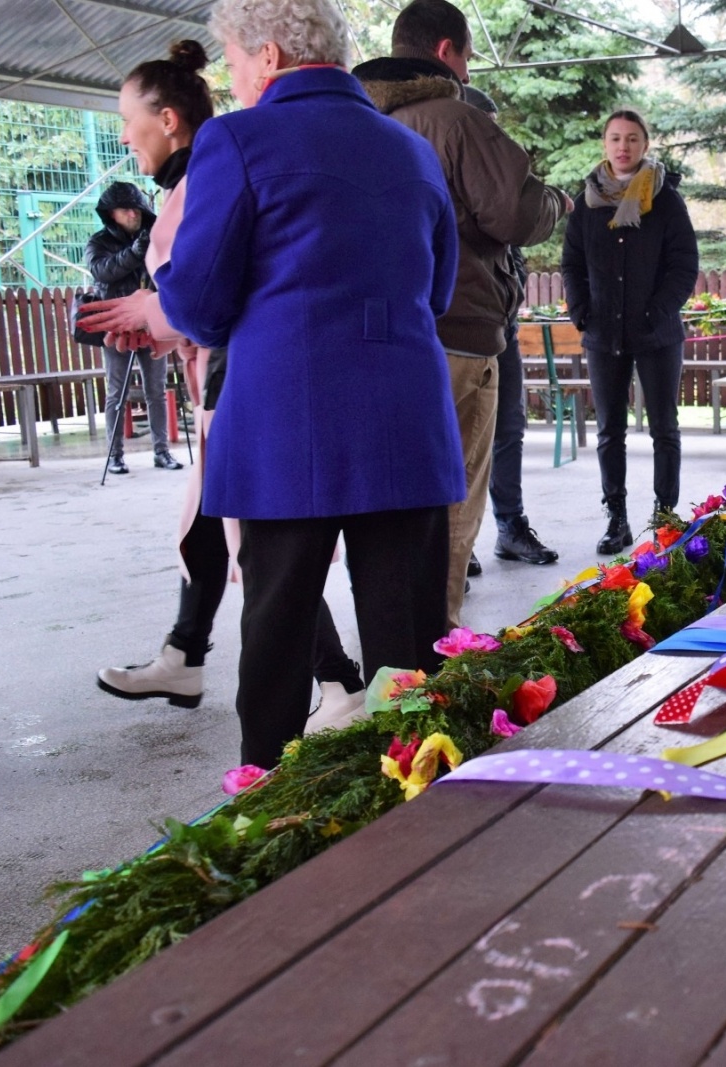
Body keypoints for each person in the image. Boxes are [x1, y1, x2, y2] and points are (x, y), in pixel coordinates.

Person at [153, 0, 465, 768]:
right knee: (408, 655)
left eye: (232, 60)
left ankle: (271, 806)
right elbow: (438, 292)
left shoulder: (236, 139)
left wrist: (164, 289)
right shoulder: (411, 149)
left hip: (289, 425)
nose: (231, 79)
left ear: (268, 56)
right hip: (405, 418)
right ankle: (418, 802)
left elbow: (199, 304)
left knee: (279, 641)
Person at [83, 40, 366, 731]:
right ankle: (185, 653)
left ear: (168, 119)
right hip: (236, 378)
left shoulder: (215, 170)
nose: (124, 136)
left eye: (127, 119)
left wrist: (157, 314)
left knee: (260, 545)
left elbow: (215, 291)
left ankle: (337, 679)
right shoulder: (203, 174)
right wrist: (158, 321)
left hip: (245, 384)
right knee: (216, 526)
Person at [353, 0, 569, 619]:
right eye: (468, 57)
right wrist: (557, 202)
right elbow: (517, 213)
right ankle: (434, 643)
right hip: (456, 330)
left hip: (372, 337)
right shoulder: (455, 120)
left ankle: (389, 642)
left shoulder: (356, 122)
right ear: (445, 50)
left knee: (388, 501)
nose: (469, 73)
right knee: (451, 498)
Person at [560, 109, 699, 555]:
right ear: (605, 144)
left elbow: (684, 264)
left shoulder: (666, 200)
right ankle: (616, 519)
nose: (624, 146)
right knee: (610, 431)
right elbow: (572, 263)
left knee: (664, 429)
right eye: (616, 138)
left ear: (645, 145)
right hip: (603, 334)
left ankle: (665, 519)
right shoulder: (587, 202)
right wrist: (582, 312)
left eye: (632, 139)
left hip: (656, 333)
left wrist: (657, 311)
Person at [459, 84, 558, 567]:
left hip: (504, 327)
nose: (495, 138)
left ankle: (510, 526)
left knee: (509, 429)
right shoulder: (455, 175)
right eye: (489, 127)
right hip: (463, 329)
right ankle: (461, 543)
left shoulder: (498, 181)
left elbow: (512, 250)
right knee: (462, 438)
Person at [84, 182, 181, 474]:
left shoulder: (154, 234)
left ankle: (161, 451)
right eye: (125, 209)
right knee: (117, 392)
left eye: (136, 208)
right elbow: (102, 271)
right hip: (117, 327)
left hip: (151, 324)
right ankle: (114, 455)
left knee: (157, 391)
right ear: (111, 214)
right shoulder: (98, 242)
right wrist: (135, 252)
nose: (132, 213)